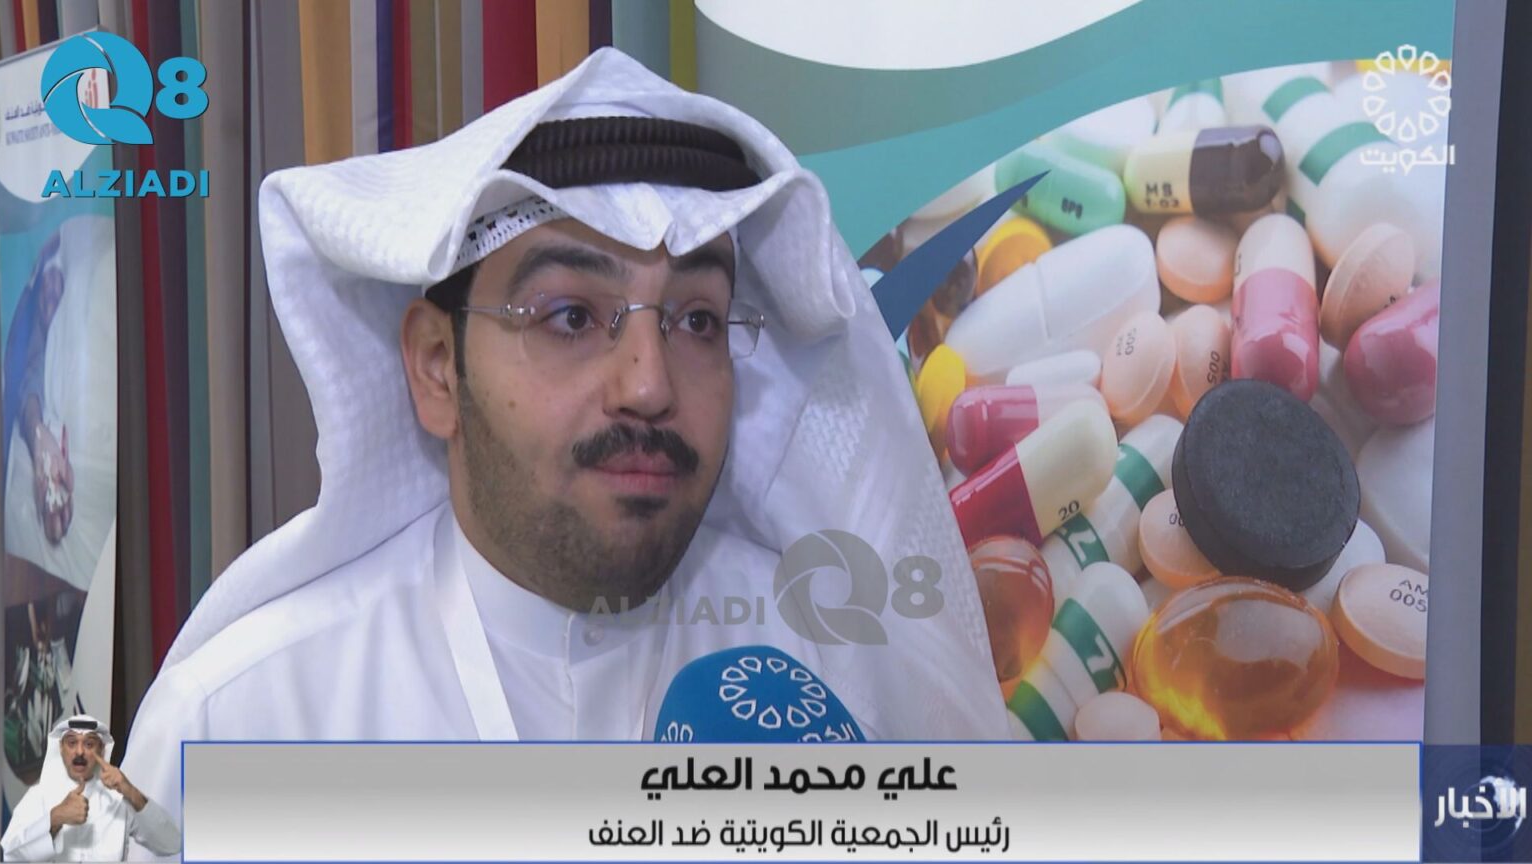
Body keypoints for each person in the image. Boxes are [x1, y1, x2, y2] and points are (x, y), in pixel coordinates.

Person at [121, 48, 1010, 831]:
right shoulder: (245, 722)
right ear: (437, 367)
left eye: (697, 320)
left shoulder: (831, 672)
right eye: (572, 316)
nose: (650, 385)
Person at [0, 716, 181, 861]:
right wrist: (55, 818)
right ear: (61, 748)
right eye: (72, 743)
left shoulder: (118, 801)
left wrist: (131, 792)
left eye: (89, 744)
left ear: (101, 750)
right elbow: (11, 855)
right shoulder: (39, 797)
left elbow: (172, 844)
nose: (79, 752)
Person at [2, 230, 73, 544]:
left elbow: (30, 389)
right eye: (47, 285)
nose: (51, 297)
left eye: (58, 288)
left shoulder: (54, 345)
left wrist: (39, 437)